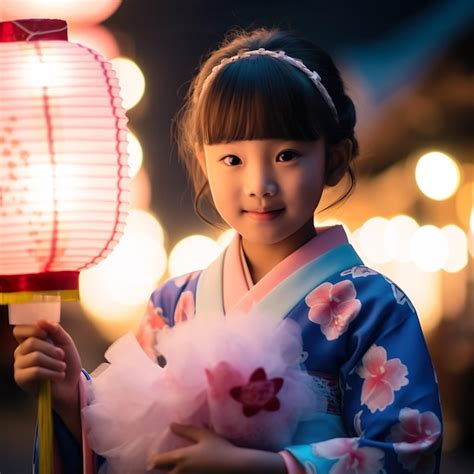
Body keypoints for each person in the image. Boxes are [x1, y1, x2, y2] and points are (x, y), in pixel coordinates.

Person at [13, 27, 443, 473]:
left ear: (334, 159)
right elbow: (129, 448)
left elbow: (408, 449)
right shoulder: (172, 303)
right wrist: (69, 400)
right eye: (233, 160)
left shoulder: (372, 308)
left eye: (287, 155)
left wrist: (264, 466)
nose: (259, 185)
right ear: (204, 163)